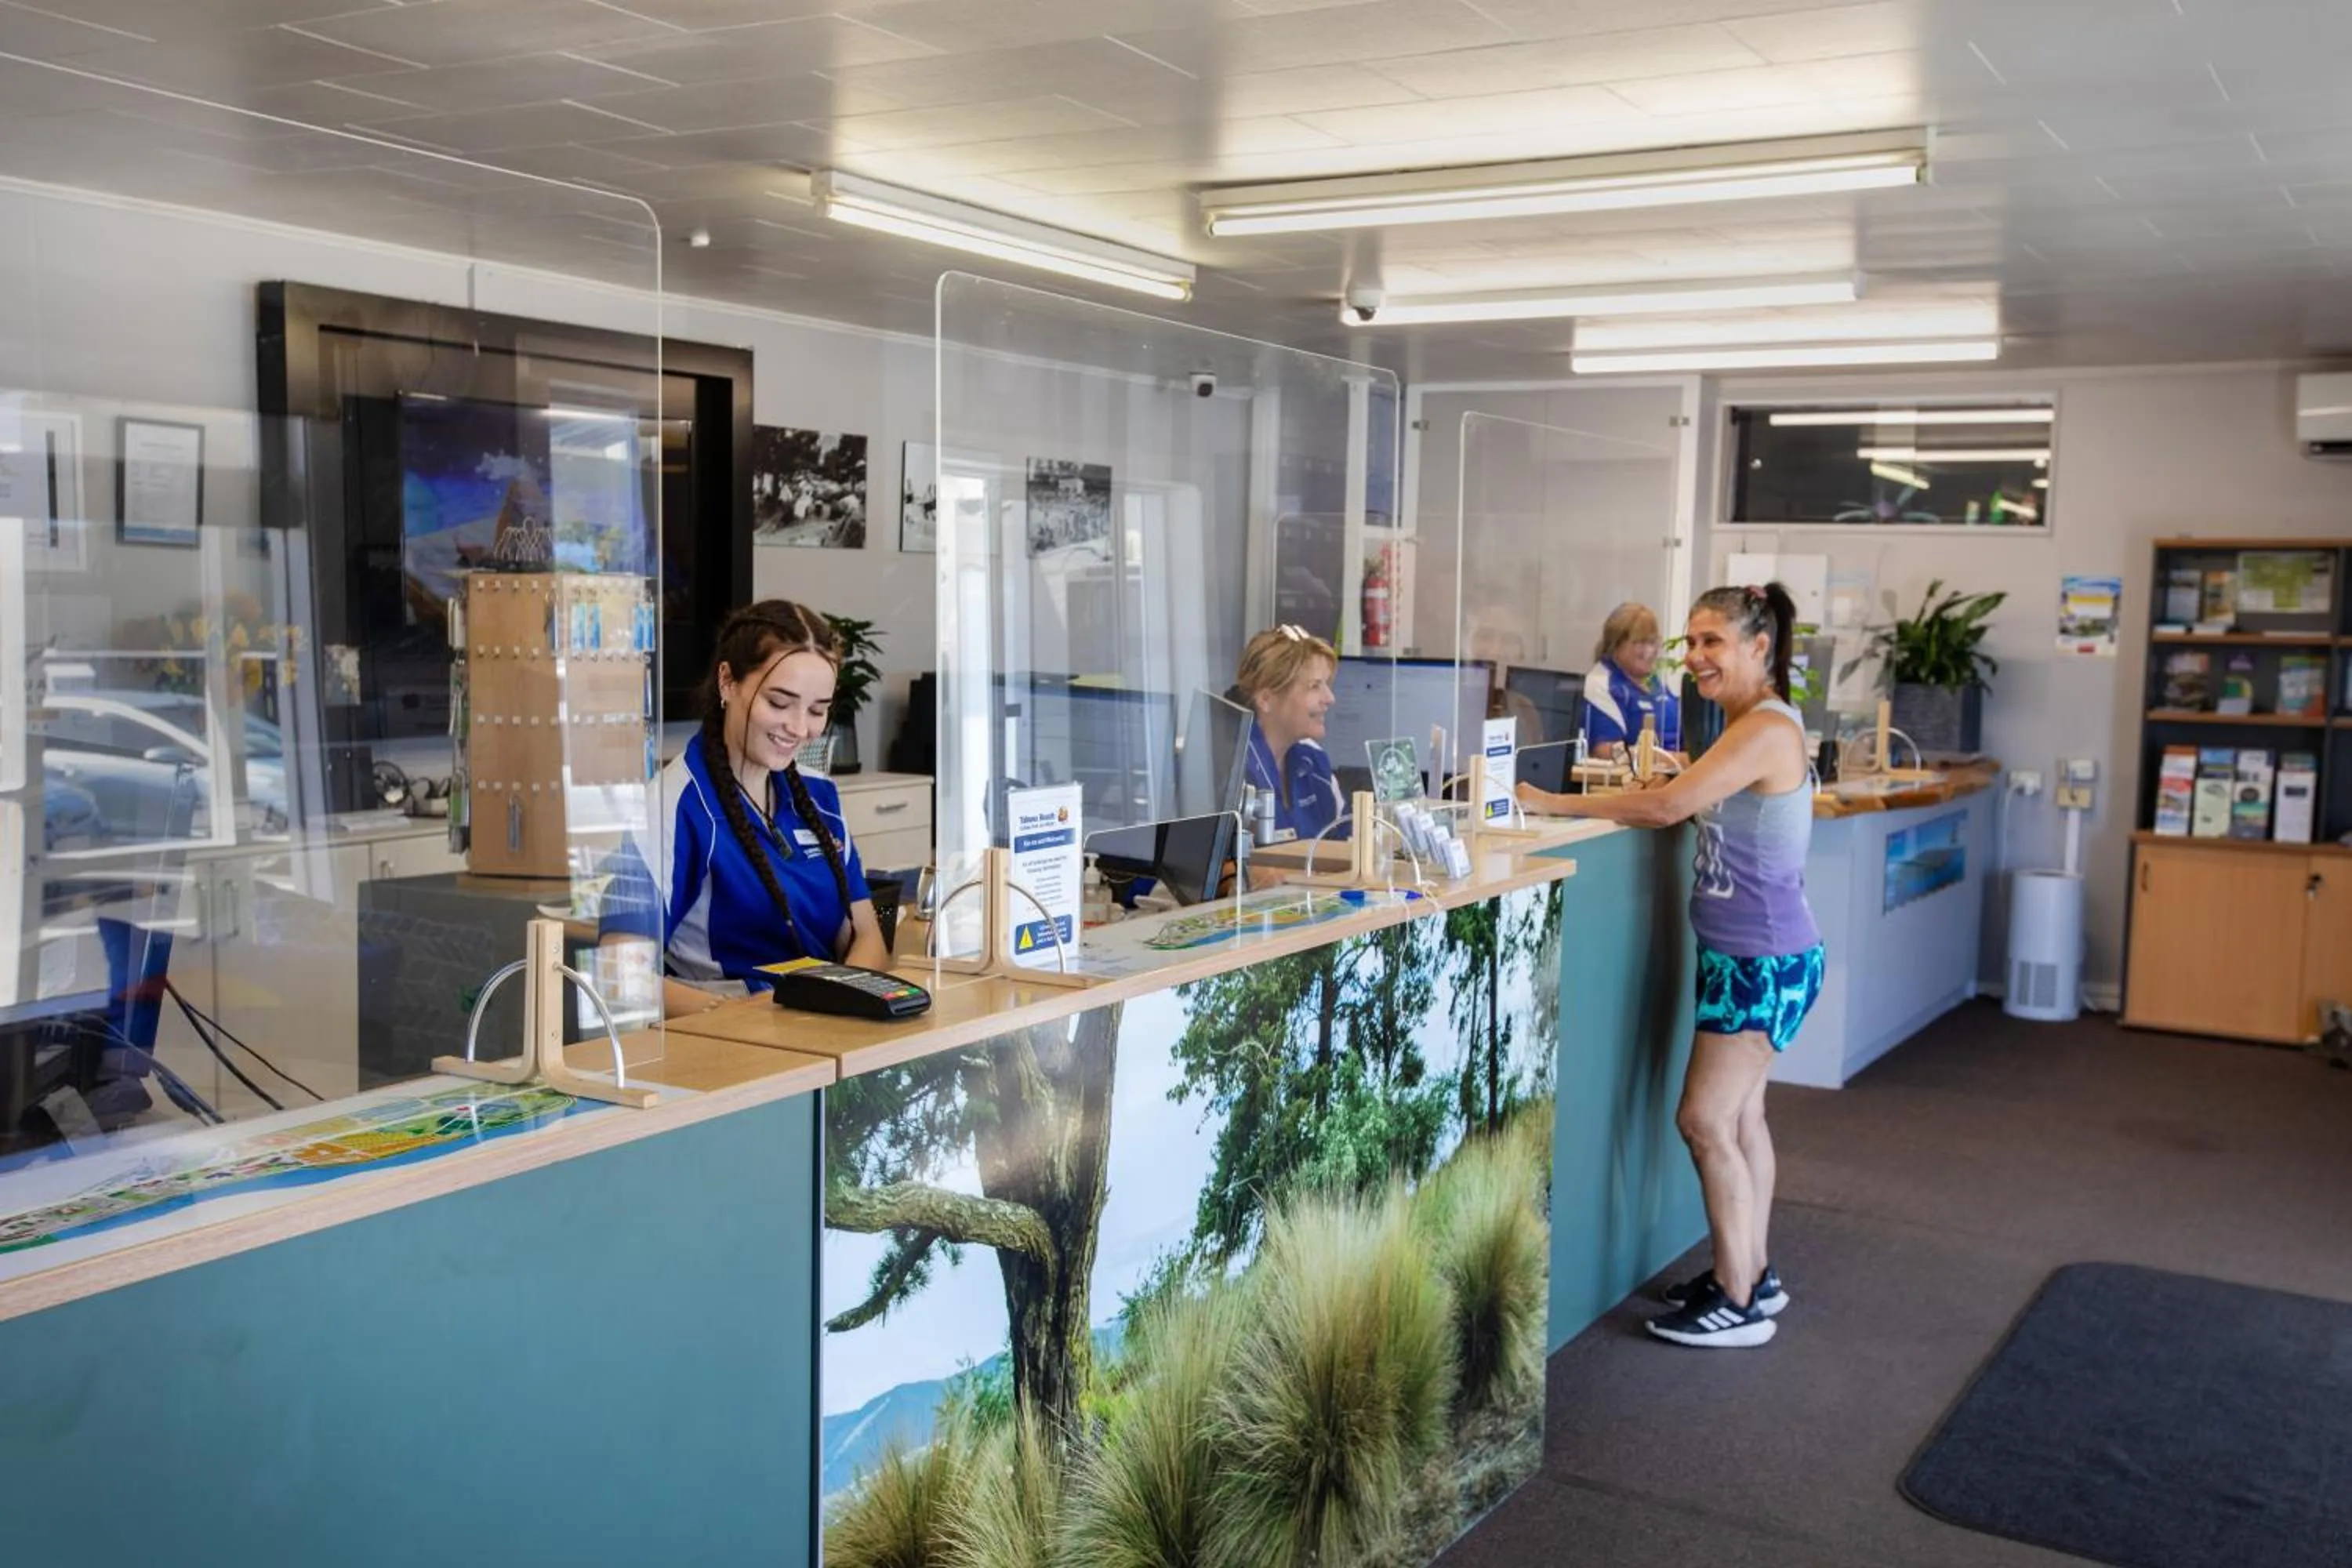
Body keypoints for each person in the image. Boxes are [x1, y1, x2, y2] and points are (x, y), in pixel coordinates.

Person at [1518, 583, 1821, 1349]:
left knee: (1705, 1118)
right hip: (1751, 954)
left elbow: (1663, 809)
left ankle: (1737, 1299)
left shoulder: (1767, 728)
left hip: (1762, 957)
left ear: (1760, 646)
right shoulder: (1746, 725)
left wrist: (1545, 803)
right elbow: (1687, 792)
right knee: (1743, 1116)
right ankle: (1751, 1271)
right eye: (1692, 641)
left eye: (1713, 641)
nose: (1696, 658)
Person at [601, 601, 887, 1018]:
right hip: (728, 1045)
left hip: (828, 1037)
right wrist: (740, 1014)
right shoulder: (674, 803)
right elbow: (617, 973)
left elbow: (867, 937)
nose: (799, 727)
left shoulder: (819, 796)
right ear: (728, 682)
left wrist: (838, 1003)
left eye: (817, 710)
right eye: (779, 702)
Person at [1234, 623, 1348, 842]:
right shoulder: (1231, 770)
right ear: (1266, 699)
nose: (1330, 698)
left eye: (1327, 685)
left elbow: (1346, 841)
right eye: (1315, 686)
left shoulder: (1314, 760)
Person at [1581, 601, 1682, 760]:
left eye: (1653, 642)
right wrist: (1672, 760)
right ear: (1616, 645)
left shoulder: (1653, 681)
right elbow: (1604, 751)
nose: (1649, 651)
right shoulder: (1602, 684)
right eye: (1640, 643)